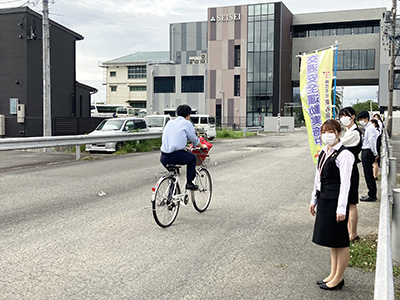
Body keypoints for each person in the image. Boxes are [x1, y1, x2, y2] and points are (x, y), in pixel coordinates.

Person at [310, 119, 354, 291]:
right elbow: (317, 177)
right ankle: (333, 274)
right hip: (324, 199)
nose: (326, 135)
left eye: (330, 131)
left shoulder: (344, 155)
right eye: (323, 132)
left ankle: (339, 278)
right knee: (332, 240)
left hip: (336, 201)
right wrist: (314, 199)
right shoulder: (324, 151)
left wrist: (342, 208)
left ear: (338, 133)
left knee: (340, 241)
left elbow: (345, 184)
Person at [160, 104, 207, 190]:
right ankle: (189, 183)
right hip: (177, 155)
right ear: (188, 115)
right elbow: (194, 140)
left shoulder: (170, 122)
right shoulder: (187, 123)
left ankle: (171, 196)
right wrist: (202, 146)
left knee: (174, 176)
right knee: (192, 158)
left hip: (163, 156)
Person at [339, 107, 362, 242]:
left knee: (351, 203)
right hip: (345, 169)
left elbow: (338, 144)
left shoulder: (354, 133)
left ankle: (353, 234)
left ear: (352, 117)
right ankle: (349, 231)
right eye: (341, 116)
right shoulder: (348, 131)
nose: (343, 118)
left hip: (351, 169)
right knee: (347, 202)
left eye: (345, 115)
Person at [358, 111, 379, 202]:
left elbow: (372, 142)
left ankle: (372, 195)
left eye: (362, 119)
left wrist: (375, 153)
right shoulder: (368, 127)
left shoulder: (370, 128)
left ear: (366, 118)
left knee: (368, 174)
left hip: (368, 151)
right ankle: (371, 193)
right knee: (368, 174)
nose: (360, 121)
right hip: (367, 150)